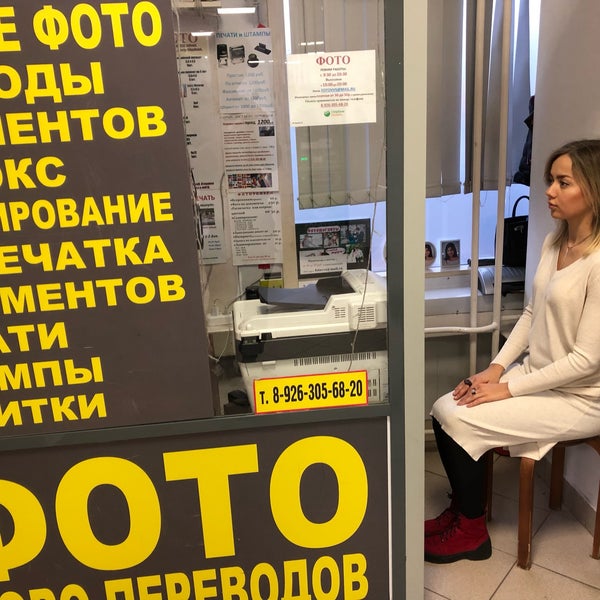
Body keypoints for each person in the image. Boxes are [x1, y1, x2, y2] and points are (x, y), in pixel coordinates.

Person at [425, 139, 600, 564]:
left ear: (594, 189)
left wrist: (507, 390)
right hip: (537, 373)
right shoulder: (555, 242)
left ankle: (471, 534)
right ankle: (463, 511)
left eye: (563, 183)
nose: (549, 191)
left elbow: (586, 361)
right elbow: (530, 313)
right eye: (550, 181)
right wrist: (496, 369)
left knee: (460, 417)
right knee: (445, 407)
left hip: (580, 397)